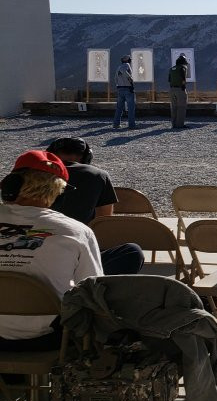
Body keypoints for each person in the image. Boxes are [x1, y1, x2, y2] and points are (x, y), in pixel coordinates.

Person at [0, 151, 103, 352]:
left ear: (10, 186)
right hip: (47, 338)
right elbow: (93, 290)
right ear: (58, 194)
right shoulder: (77, 231)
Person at [46, 138, 145, 275]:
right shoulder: (98, 175)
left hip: (41, 251)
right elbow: (104, 221)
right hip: (78, 253)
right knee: (133, 251)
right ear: (87, 156)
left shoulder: (35, 176)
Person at [113, 54, 136, 129]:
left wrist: (118, 85)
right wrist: (130, 80)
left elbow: (115, 78)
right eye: (130, 59)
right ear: (127, 60)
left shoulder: (118, 67)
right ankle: (131, 125)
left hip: (120, 88)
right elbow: (124, 71)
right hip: (128, 88)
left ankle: (116, 124)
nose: (130, 60)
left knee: (119, 108)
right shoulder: (126, 65)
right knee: (131, 108)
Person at [168, 53, 190, 129]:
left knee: (174, 107)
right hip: (180, 89)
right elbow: (183, 79)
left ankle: (174, 124)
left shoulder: (172, 68)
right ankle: (180, 125)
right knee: (181, 107)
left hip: (172, 89)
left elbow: (169, 80)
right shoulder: (182, 68)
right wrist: (183, 87)